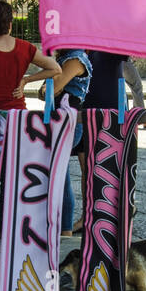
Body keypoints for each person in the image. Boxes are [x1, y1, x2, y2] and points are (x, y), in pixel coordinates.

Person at [0, 0, 60, 109]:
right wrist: (25, 80)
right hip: (18, 115)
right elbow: (56, 69)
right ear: (10, 24)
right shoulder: (25, 47)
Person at [50, 49, 93, 240]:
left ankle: (65, 227)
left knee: (61, 171)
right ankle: (63, 226)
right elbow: (47, 91)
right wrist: (50, 88)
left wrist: (51, 88)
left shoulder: (76, 59)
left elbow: (51, 88)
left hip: (68, 123)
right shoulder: (65, 59)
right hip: (61, 121)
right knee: (60, 171)